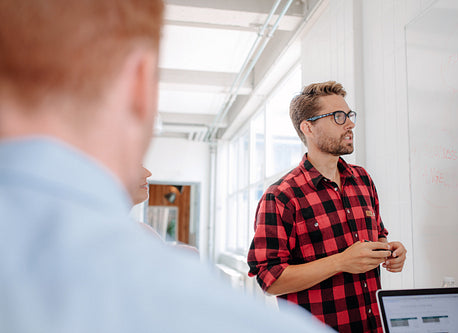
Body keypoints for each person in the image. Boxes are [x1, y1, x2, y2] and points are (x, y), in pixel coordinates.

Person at [0, 2, 335, 332]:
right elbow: (270, 274)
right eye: (337, 116)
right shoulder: (219, 316)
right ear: (138, 85)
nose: (347, 124)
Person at [247, 81, 407, 333]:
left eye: (349, 115)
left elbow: (378, 235)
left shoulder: (362, 179)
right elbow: (269, 279)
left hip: (374, 326)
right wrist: (340, 262)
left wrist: (390, 252)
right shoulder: (281, 196)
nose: (350, 124)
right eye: (338, 117)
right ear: (308, 127)